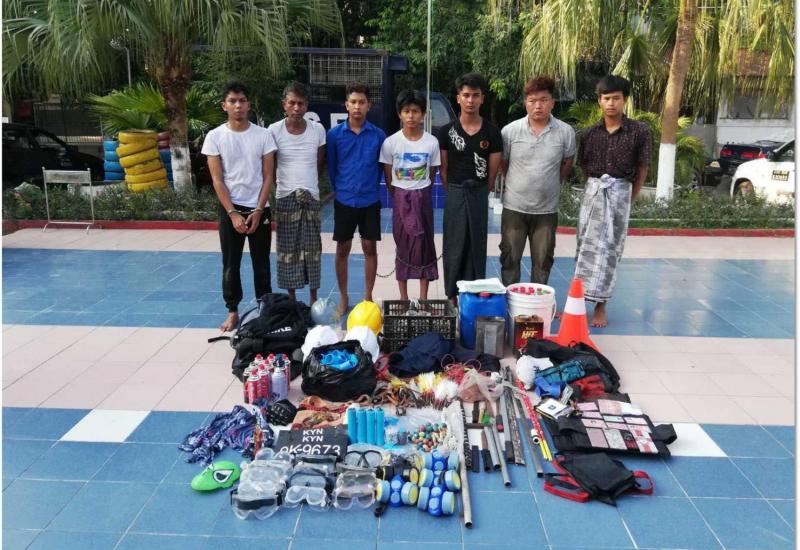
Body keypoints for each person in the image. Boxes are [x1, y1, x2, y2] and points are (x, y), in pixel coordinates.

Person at [574, 75, 652, 328]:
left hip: (620, 192)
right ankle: (577, 303)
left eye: (616, 98)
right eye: (606, 98)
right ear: (599, 100)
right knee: (584, 248)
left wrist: (630, 196)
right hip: (594, 191)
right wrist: (594, 188)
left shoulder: (639, 131)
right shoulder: (589, 134)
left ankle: (601, 306)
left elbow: (642, 168)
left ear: (624, 100)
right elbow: (584, 167)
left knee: (610, 250)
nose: (611, 103)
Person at [203, 81, 277, 332]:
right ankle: (232, 311)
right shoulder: (215, 137)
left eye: (242, 101)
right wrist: (232, 213)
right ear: (224, 105)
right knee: (230, 264)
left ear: (249, 104)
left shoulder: (263, 135)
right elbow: (217, 180)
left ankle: (264, 310)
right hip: (230, 209)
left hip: (259, 208)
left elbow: (268, 176)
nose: (238, 105)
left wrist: (258, 210)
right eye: (232, 101)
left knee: (262, 264)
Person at [499, 76, 576, 287]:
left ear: (552, 102)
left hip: (546, 211)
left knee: (543, 262)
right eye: (532, 101)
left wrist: (553, 183)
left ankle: (538, 303)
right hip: (514, 208)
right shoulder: (510, 131)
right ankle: (510, 301)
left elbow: (567, 162)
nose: (538, 106)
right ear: (525, 103)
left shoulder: (565, 132)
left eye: (543, 100)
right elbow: (503, 163)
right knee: (509, 259)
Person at [438, 73, 503, 306]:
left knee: (476, 244)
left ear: (482, 98)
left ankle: (473, 293)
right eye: (466, 95)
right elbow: (444, 170)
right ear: (458, 98)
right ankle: (452, 295)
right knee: (454, 244)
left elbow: (492, 173)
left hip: (479, 192)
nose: (470, 100)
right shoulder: (446, 132)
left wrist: (480, 191)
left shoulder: (492, 132)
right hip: (455, 191)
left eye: (475, 95)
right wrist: (454, 192)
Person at [326, 82, 386, 316]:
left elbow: (380, 168)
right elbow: (332, 168)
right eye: (353, 102)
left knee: (370, 247)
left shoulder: (378, 135)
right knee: (343, 248)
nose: (357, 106)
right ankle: (343, 297)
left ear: (369, 105)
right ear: (346, 105)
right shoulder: (334, 135)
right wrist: (342, 189)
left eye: (362, 102)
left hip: (370, 200)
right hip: (345, 200)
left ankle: (367, 297)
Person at [380, 90, 441, 301]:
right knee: (403, 245)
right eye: (406, 111)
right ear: (399, 114)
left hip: (423, 199)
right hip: (401, 200)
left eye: (415, 111)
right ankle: (403, 298)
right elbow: (389, 176)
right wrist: (401, 197)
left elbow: (432, 173)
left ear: (423, 114)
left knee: (425, 245)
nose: (411, 116)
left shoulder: (431, 142)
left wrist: (418, 193)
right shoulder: (390, 143)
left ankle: (423, 299)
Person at [268, 81, 326, 304]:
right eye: (292, 103)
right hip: (285, 196)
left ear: (306, 106)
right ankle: (291, 299)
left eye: (300, 103)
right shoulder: (273, 130)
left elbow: (319, 162)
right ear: (284, 104)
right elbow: (271, 165)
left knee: (313, 248)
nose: (296, 108)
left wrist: (309, 185)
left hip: (310, 196)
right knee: (287, 248)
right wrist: (280, 188)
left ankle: (313, 299)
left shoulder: (317, 130)